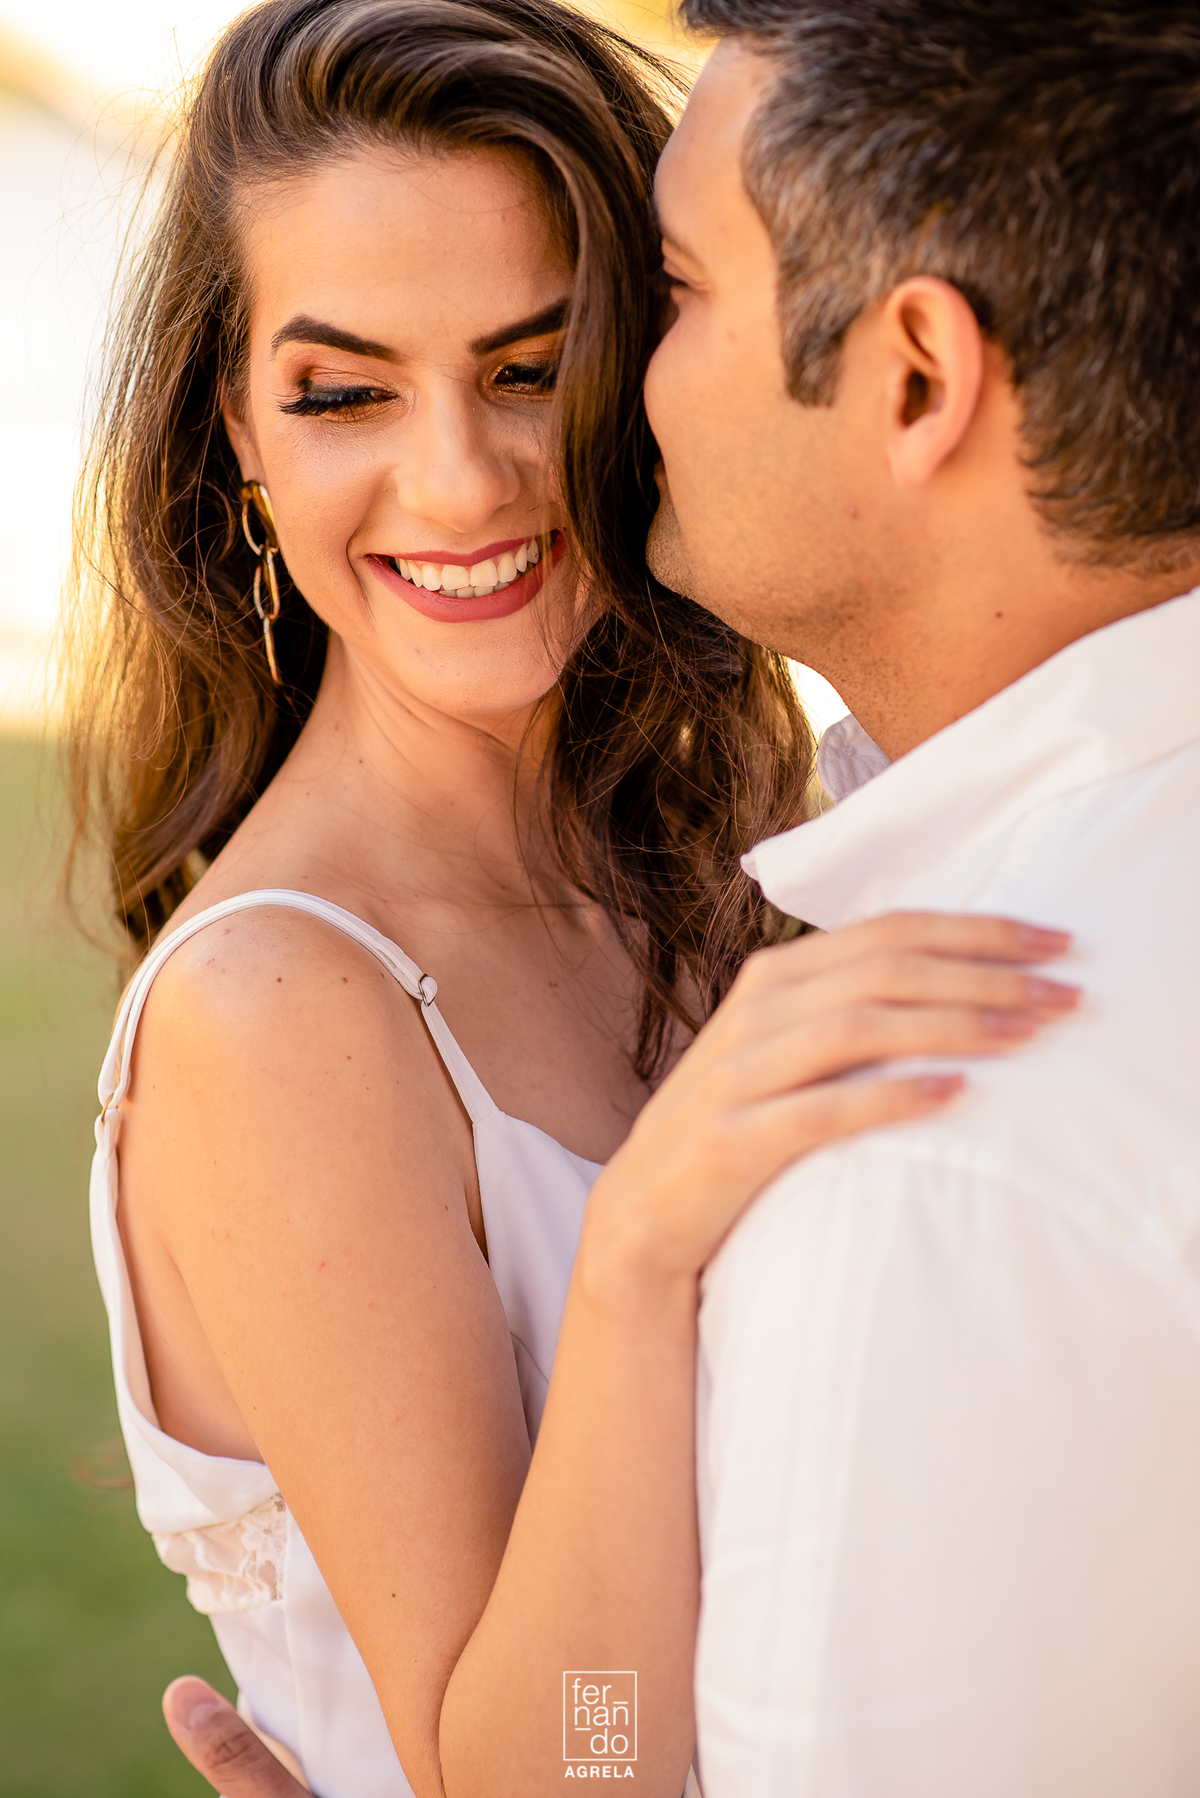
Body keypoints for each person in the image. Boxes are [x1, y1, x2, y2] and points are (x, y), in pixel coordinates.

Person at [167, 0, 1200, 1794]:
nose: (465, 479)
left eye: (532, 364)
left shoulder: (743, 830)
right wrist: (640, 1253)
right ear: (241, 435)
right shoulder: (284, 1015)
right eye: (343, 393)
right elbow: (565, 1766)